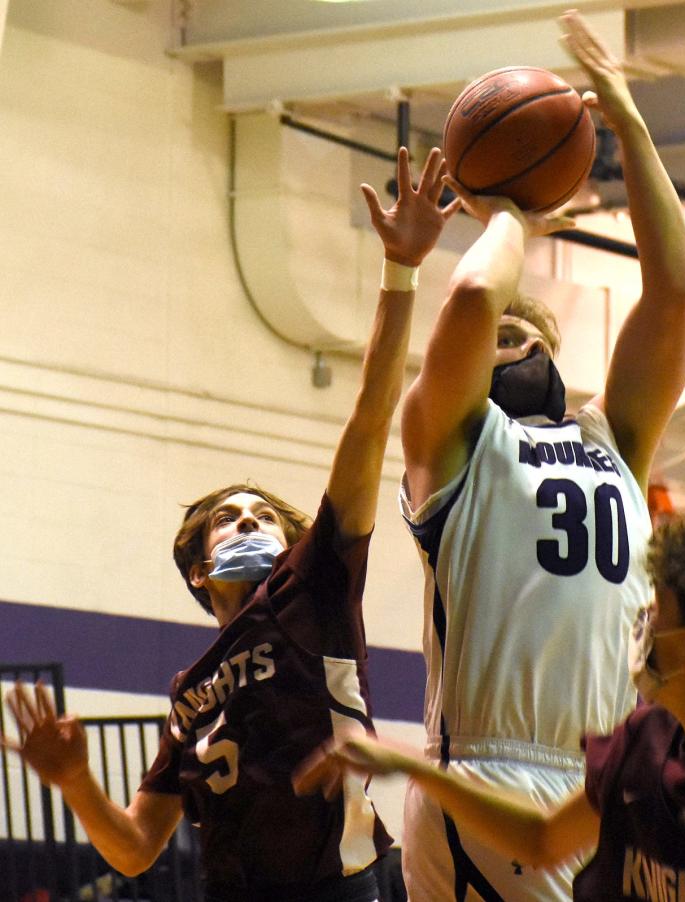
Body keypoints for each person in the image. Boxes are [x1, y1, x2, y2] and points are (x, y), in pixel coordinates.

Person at [2, 146, 459, 902]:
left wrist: (400, 272)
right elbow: (136, 851)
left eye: (261, 514)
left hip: (345, 887)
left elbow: (370, 417)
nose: (247, 517)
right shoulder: (187, 694)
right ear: (199, 571)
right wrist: (78, 782)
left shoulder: (314, 586)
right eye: (227, 517)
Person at [395, 9, 685, 899]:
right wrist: (508, 206)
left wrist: (629, 126)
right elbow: (476, 295)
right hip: (491, 774)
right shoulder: (451, 443)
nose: (513, 341)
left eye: (531, 334)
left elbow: (674, 289)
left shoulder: (616, 440)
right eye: (499, 338)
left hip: (599, 781)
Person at [295, 504, 685, 902]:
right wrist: (408, 762)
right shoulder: (646, 738)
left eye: (657, 610)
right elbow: (542, 840)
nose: (642, 622)